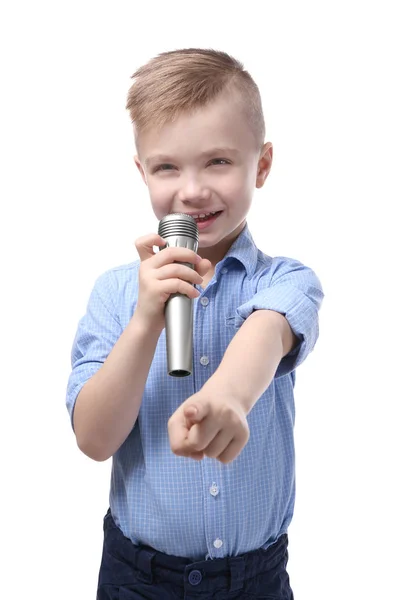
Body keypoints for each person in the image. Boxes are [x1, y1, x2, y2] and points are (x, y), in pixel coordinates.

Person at [66, 48, 324, 599]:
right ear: (142, 171)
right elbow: (93, 438)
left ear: (262, 164)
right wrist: (144, 324)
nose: (192, 189)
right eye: (167, 167)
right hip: (138, 579)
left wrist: (228, 397)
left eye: (218, 162)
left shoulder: (285, 280)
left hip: (252, 580)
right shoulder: (116, 293)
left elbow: (266, 333)